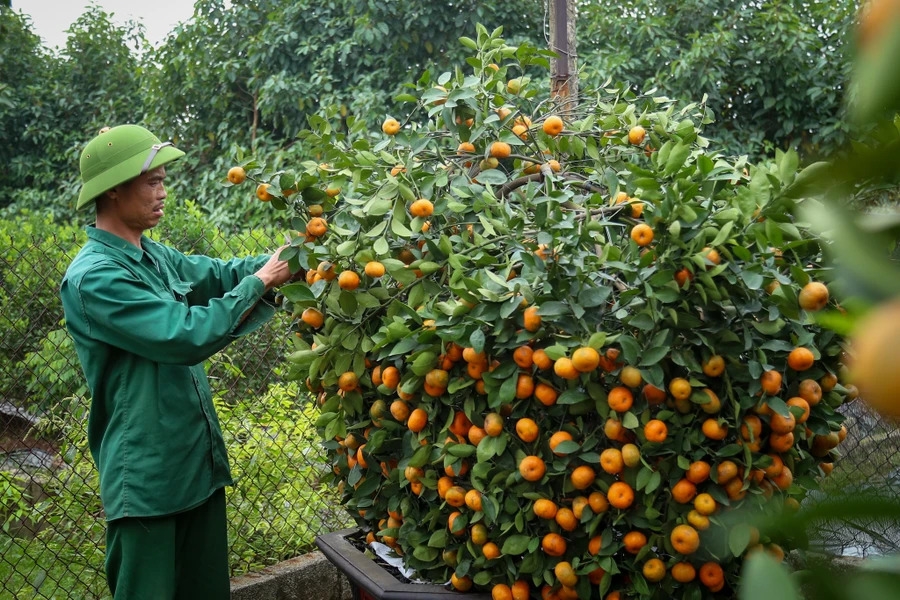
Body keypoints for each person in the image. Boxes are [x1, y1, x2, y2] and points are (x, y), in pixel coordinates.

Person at [60, 124, 295, 599]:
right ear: (113, 191)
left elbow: (214, 273)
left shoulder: (151, 255)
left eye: (163, 180)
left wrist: (288, 259)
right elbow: (183, 335)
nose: (163, 192)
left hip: (194, 465)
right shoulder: (95, 278)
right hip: (148, 481)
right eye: (152, 181)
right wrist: (260, 283)